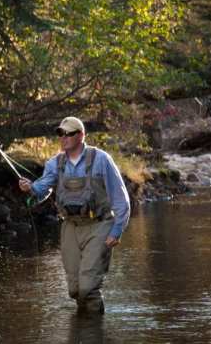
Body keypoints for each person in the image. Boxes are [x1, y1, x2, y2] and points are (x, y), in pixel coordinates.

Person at [18, 116, 130, 314]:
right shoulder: (54, 163)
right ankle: (83, 329)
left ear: (81, 136)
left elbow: (121, 198)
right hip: (70, 227)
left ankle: (95, 331)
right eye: (60, 134)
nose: (63, 138)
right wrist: (30, 188)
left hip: (99, 225)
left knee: (88, 286)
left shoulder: (102, 159)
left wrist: (117, 230)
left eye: (68, 134)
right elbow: (43, 190)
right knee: (75, 289)